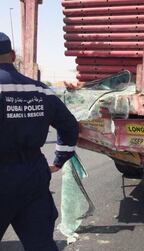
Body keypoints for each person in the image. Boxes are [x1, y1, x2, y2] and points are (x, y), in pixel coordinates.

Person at [0, 32, 79, 250]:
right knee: (41, 244)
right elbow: (69, 125)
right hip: (33, 176)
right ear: (13, 55)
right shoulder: (39, 89)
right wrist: (60, 159)